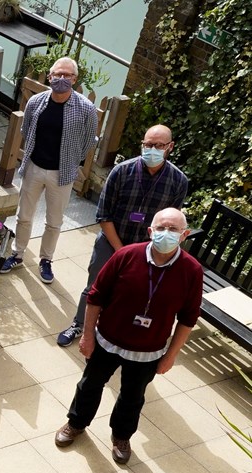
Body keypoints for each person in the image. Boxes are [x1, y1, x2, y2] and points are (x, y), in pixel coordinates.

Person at [54, 208, 203, 464]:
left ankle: (121, 436)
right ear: (150, 231)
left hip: (149, 350)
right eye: (161, 228)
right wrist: (88, 335)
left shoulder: (191, 271)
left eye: (174, 229)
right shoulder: (126, 255)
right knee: (89, 385)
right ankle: (76, 423)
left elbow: (188, 319)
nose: (166, 234)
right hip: (107, 340)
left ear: (185, 235)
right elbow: (95, 296)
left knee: (132, 397)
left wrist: (171, 356)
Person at [57, 124, 188, 347]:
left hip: (147, 250)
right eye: (147, 144)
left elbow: (170, 221)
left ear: (170, 147)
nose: (151, 149)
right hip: (112, 242)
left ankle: (115, 332)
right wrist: (122, 251)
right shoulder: (121, 171)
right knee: (94, 287)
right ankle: (79, 324)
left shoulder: (178, 181)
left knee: (131, 293)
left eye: (158, 145)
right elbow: (104, 215)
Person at [1, 57, 99, 285]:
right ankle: (17, 254)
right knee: (24, 216)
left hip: (62, 174)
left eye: (67, 76)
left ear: (75, 79)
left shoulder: (86, 108)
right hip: (34, 167)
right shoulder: (36, 102)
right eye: (58, 74)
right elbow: (26, 130)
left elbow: (89, 141)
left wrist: (72, 159)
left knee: (54, 221)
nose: (62, 79)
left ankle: (46, 260)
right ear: (49, 76)